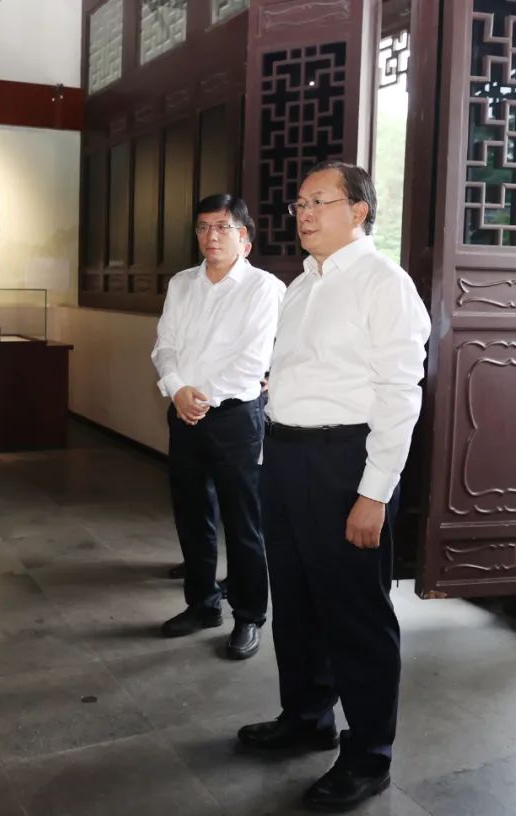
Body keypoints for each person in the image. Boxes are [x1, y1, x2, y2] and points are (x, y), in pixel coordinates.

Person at [237, 161, 430, 812]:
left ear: (359, 211)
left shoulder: (384, 284)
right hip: (286, 457)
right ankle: (306, 717)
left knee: (356, 614)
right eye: (299, 203)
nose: (304, 213)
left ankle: (369, 755)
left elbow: (400, 394)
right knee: (295, 602)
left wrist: (374, 493)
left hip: (346, 463)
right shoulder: (301, 285)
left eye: (318, 201)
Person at [151, 194, 284, 659]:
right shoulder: (182, 283)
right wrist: (177, 389)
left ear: (243, 236)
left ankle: (249, 616)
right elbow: (165, 345)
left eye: (222, 227)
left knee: (243, 523)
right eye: (203, 227)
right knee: (192, 515)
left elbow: (253, 359)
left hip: (235, 418)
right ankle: (202, 603)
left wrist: (198, 396)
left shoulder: (264, 288)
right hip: (184, 412)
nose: (211, 236)